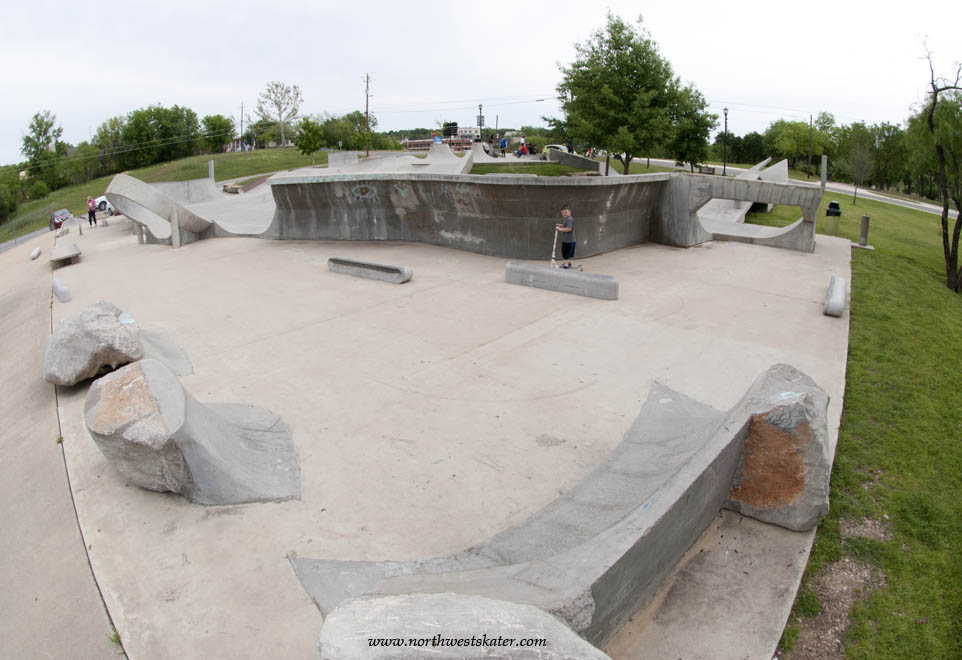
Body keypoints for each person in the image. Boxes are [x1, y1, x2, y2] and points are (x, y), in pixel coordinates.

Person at [555, 203, 575, 268]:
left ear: (569, 212)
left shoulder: (569, 219)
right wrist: (560, 225)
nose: (564, 214)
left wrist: (559, 229)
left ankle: (566, 265)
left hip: (570, 240)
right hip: (566, 240)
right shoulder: (566, 219)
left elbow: (569, 229)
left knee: (567, 253)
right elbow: (565, 225)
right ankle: (567, 263)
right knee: (564, 252)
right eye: (563, 213)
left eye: (566, 212)